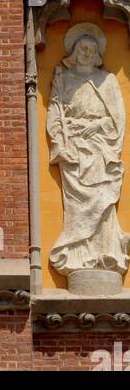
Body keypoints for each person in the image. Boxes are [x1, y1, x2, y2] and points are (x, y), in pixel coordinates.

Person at [47, 23, 130, 282]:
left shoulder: (107, 81)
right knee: (78, 206)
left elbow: (118, 118)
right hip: (75, 149)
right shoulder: (63, 78)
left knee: (103, 202)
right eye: (81, 48)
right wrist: (62, 142)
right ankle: (78, 256)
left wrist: (99, 126)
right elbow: (55, 113)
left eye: (90, 49)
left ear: (97, 54)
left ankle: (106, 254)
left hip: (100, 148)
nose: (85, 53)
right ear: (73, 50)